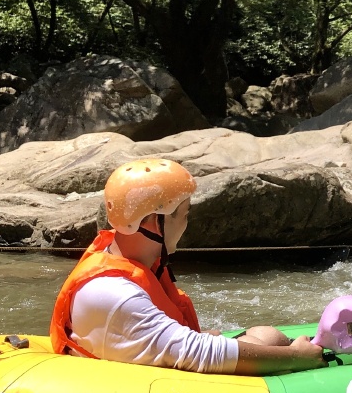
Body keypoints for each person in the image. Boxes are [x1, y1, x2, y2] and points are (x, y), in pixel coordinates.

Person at [51, 158, 326, 376]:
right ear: (153, 222)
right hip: (137, 392)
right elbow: (198, 353)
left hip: (143, 364)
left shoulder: (126, 259)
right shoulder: (113, 293)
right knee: (269, 342)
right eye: (184, 214)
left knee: (267, 335)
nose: (186, 224)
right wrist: (297, 357)